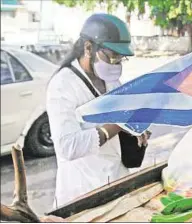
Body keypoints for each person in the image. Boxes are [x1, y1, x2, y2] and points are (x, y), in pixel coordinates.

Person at [46, 13, 150, 207]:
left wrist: (135, 128)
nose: (117, 63)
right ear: (88, 48)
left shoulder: (111, 80)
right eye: (112, 56)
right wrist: (117, 125)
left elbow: (121, 115)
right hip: (82, 190)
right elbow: (67, 146)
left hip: (115, 178)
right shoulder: (62, 85)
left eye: (121, 58)